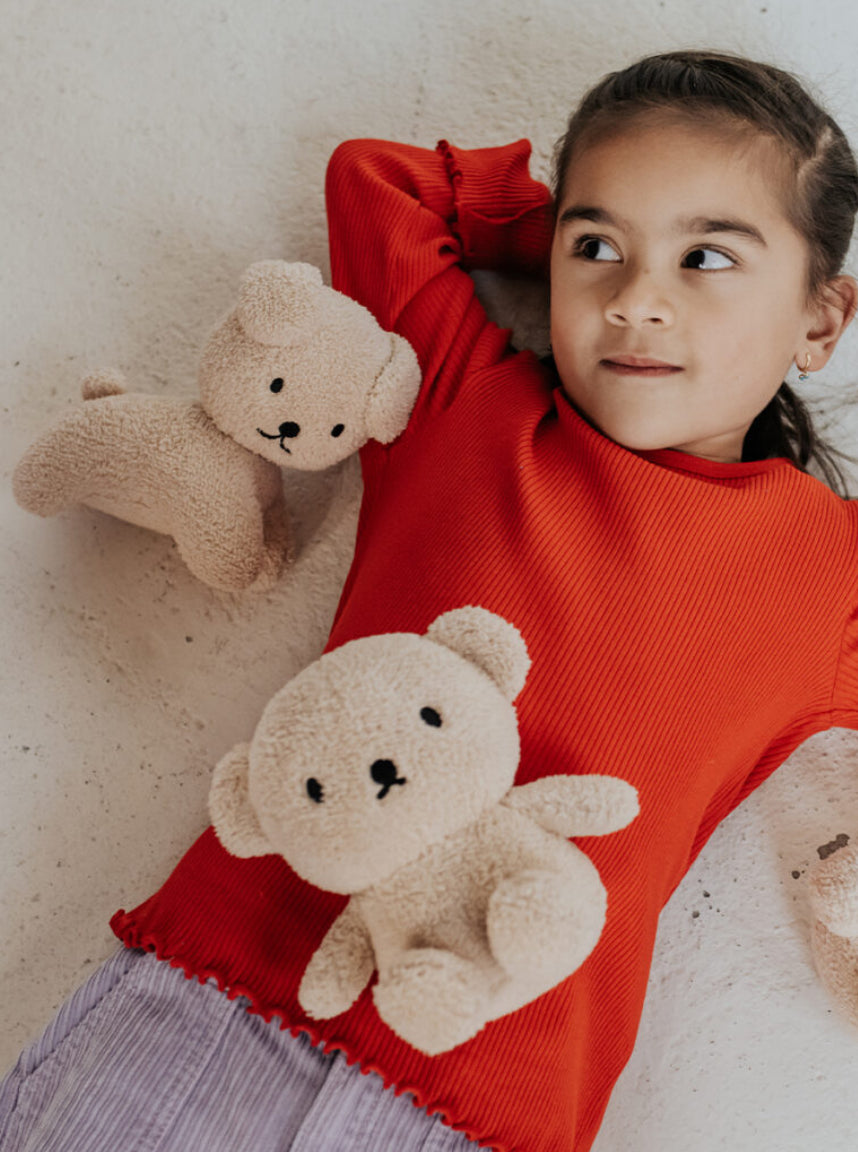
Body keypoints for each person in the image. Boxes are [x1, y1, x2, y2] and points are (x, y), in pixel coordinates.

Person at [3, 48, 858, 1152]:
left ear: (821, 322)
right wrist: (547, 221)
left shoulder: (827, 565)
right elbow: (381, 181)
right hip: (214, 993)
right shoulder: (462, 400)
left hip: (488, 1099)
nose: (637, 299)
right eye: (598, 246)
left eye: (706, 257)